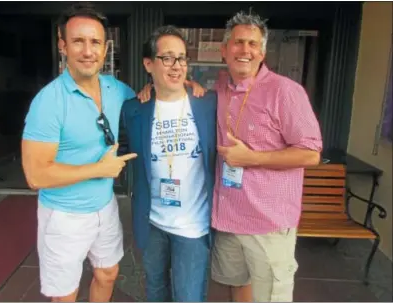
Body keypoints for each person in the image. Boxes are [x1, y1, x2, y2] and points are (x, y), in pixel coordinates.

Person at [21, 3, 138, 302]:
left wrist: (184, 86)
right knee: (65, 295)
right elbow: (35, 175)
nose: (88, 51)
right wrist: (99, 170)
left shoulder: (117, 89)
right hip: (64, 216)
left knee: (108, 273)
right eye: (78, 41)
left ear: (105, 47)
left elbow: (146, 103)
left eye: (95, 42)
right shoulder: (48, 102)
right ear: (63, 46)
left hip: (105, 206)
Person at [210, 12, 323, 302]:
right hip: (229, 217)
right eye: (237, 42)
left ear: (262, 52)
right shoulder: (220, 87)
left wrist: (252, 158)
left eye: (252, 44)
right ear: (224, 50)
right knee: (238, 286)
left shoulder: (285, 91)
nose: (244, 50)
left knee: (271, 296)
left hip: (267, 222)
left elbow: (311, 154)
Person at [121, 25, 218, 302]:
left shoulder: (208, 104)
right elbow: (121, 150)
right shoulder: (134, 109)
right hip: (152, 223)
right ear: (148, 64)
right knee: (155, 292)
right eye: (167, 58)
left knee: (188, 297)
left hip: (193, 226)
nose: (177, 66)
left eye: (182, 58)